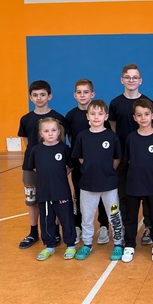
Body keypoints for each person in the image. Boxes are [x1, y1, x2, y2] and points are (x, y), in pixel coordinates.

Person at [71, 99, 124, 261]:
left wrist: (106, 171)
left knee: (114, 215)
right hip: (88, 185)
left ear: (106, 116)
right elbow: (80, 158)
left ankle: (118, 243)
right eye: (92, 113)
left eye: (100, 114)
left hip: (109, 185)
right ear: (87, 116)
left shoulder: (111, 137)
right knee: (87, 216)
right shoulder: (82, 136)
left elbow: (117, 158)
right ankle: (87, 243)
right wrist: (91, 169)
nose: (96, 117)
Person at [109, 64, 153, 245]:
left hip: (144, 158)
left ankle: (149, 227)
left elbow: (152, 129)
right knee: (124, 193)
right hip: (123, 157)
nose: (131, 80)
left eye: (135, 77)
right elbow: (113, 129)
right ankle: (126, 227)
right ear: (122, 80)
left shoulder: (147, 102)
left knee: (148, 194)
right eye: (128, 77)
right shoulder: (115, 103)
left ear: (140, 80)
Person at [17, 80, 65, 249]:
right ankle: (33, 232)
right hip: (31, 168)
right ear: (30, 97)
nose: (39, 98)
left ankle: (55, 231)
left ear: (49, 96)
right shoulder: (26, 119)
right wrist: (36, 160)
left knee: (55, 199)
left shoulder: (58, 118)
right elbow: (27, 141)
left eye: (43, 94)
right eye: (35, 95)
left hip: (53, 168)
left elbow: (62, 142)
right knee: (32, 200)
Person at [65, 78, 110, 245]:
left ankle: (104, 226)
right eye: (79, 92)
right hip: (80, 165)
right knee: (79, 195)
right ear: (74, 95)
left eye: (86, 92)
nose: (82, 95)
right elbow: (71, 138)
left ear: (92, 94)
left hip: (100, 165)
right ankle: (78, 226)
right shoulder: (71, 116)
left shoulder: (99, 114)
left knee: (102, 195)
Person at [122, 98, 153, 263]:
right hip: (133, 184)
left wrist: (151, 173)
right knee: (131, 216)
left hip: (151, 184)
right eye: (139, 115)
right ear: (134, 118)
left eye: (146, 114)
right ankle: (130, 245)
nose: (143, 118)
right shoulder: (131, 138)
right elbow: (128, 160)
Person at [29, 117, 76, 260]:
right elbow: (34, 167)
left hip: (62, 192)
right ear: (40, 133)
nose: (50, 133)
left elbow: (71, 166)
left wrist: (60, 174)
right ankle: (49, 246)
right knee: (46, 220)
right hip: (44, 193)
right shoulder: (36, 150)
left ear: (59, 132)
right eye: (46, 131)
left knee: (66, 219)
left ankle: (71, 245)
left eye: (53, 130)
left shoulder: (64, 149)